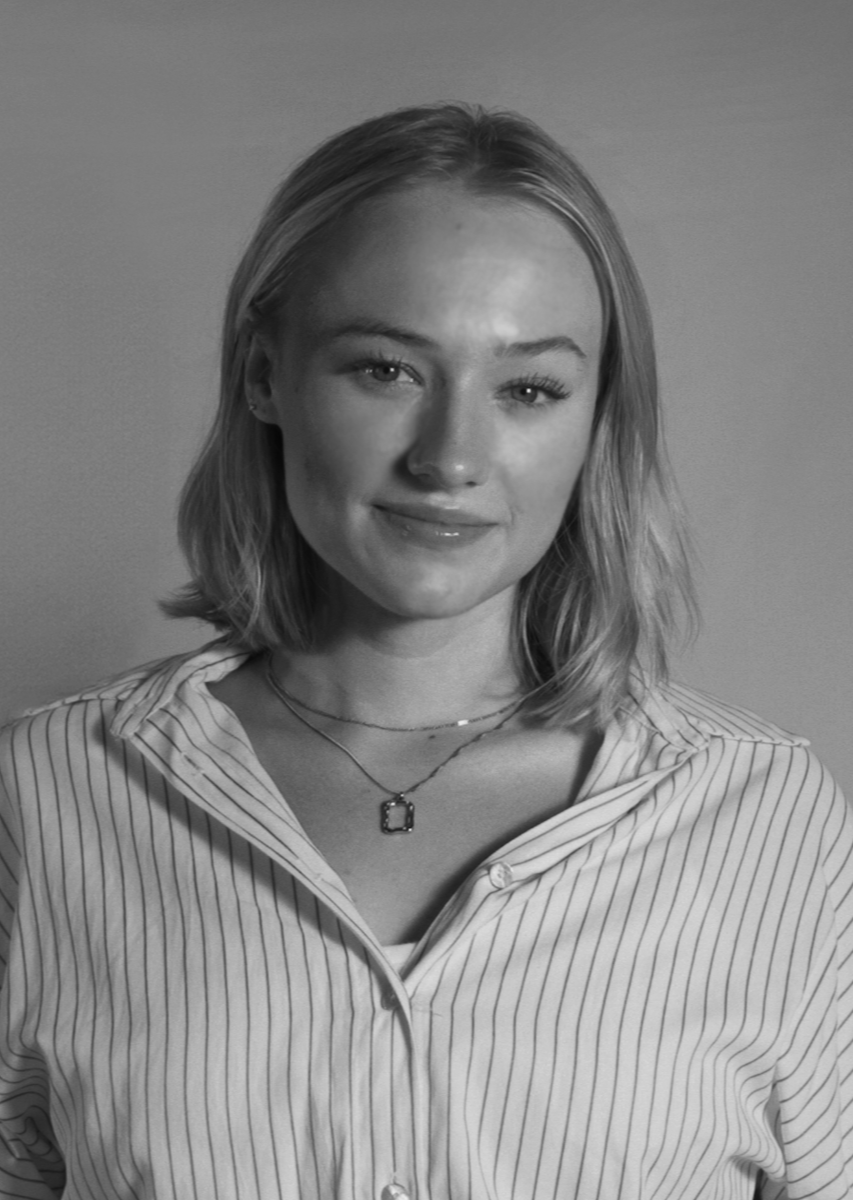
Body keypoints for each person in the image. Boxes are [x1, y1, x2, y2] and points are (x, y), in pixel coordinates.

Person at [0, 102, 850, 1200]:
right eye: (385, 370)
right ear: (264, 375)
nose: (451, 458)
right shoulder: (46, 799)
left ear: (595, 420)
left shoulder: (765, 818)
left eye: (529, 389)